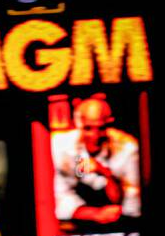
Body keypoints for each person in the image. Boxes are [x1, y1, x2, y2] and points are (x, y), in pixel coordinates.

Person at [52, 95, 141, 226]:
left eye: (101, 128)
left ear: (109, 124)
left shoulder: (127, 149)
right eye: (88, 128)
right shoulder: (61, 146)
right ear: (79, 124)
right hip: (79, 221)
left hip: (118, 223)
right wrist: (94, 214)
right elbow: (60, 197)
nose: (95, 136)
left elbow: (132, 205)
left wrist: (106, 173)